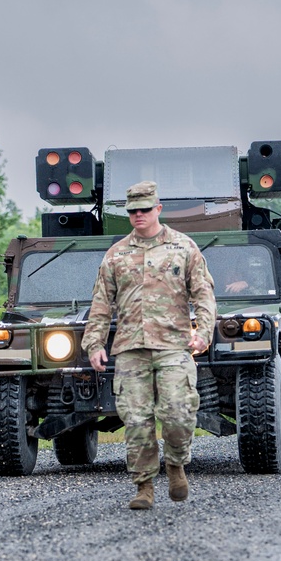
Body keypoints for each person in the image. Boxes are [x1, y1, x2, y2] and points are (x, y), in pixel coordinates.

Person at [82, 180, 217, 510]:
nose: (138, 215)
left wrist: (204, 331)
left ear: (158, 209)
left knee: (178, 412)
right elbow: (101, 303)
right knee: (136, 421)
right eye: (132, 211)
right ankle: (144, 486)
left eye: (144, 209)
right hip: (130, 348)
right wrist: (95, 343)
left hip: (173, 345)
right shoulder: (116, 255)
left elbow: (204, 295)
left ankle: (175, 466)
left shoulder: (184, 248)